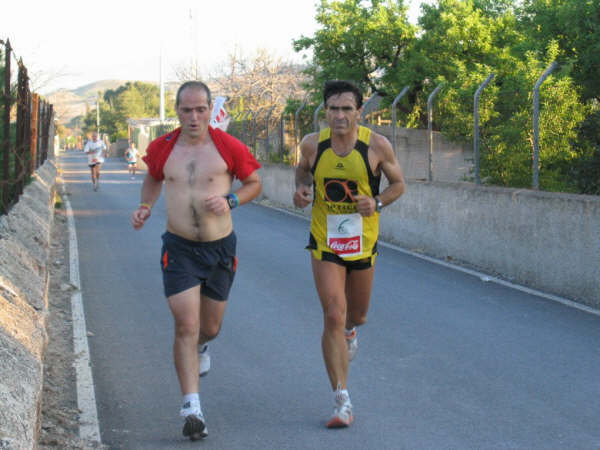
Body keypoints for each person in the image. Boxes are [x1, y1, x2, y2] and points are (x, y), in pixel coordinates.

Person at [130, 81, 262, 441]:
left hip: (220, 248)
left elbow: (254, 183)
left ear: (209, 110)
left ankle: (204, 346)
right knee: (186, 325)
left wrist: (231, 200)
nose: (194, 116)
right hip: (180, 247)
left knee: (210, 328)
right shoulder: (163, 147)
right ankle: (192, 407)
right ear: (177, 111)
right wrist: (145, 207)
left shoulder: (227, 146)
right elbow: (153, 179)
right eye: (186, 110)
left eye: (200, 109)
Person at [293, 80, 406, 428]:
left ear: (359, 112)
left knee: (356, 315)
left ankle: (352, 332)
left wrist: (377, 203)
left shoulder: (377, 146)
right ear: (324, 111)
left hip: (362, 241)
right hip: (325, 240)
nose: (339, 116)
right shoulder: (312, 145)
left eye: (346, 109)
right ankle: (341, 399)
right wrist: (301, 191)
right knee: (333, 314)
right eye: (333, 108)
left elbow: (399, 185)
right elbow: (301, 174)